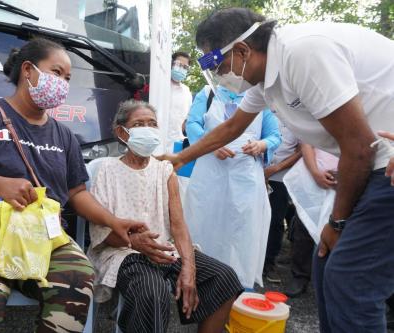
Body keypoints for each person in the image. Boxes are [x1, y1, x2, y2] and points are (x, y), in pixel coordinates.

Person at [160, 8, 394, 332]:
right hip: (374, 161)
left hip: (384, 164)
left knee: (352, 280)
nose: (220, 73)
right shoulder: (266, 80)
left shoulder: (303, 53)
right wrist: (179, 159)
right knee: (326, 265)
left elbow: (358, 147)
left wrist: (337, 223)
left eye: (219, 65)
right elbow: (230, 128)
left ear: (242, 51)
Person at [0, 38, 145, 333]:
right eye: (56, 73)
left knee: (78, 281)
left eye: (67, 78)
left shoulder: (64, 136)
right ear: (28, 70)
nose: (63, 83)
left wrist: (113, 222)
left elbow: (76, 193)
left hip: (42, 236)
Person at [88, 100, 243, 333]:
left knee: (224, 278)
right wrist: (133, 241)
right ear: (122, 132)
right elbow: (101, 230)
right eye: (139, 124)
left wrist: (189, 267)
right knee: (152, 289)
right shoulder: (107, 170)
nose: (147, 129)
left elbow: (179, 226)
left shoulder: (164, 170)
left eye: (152, 124)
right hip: (123, 252)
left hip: (165, 250)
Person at [184, 84, 281, 289]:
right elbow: (192, 123)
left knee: (243, 229)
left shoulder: (259, 95)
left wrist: (261, 145)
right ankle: (200, 283)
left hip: (245, 175)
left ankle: (240, 286)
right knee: (205, 223)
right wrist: (211, 144)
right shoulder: (208, 92)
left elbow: (274, 136)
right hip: (210, 172)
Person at [283, 144, 338, 298]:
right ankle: (300, 276)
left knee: (341, 231)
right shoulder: (320, 120)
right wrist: (315, 173)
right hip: (313, 178)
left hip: (347, 180)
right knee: (304, 227)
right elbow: (306, 143)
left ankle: (333, 280)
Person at [263, 120, 301, 283]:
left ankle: (269, 263)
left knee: (275, 221)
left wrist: (276, 169)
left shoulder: (296, 115)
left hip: (281, 177)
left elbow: (301, 151)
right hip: (257, 172)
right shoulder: (263, 109)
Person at [167, 51, 193, 152]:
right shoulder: (160, 85)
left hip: (177, 145)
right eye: (178, 64)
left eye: (185, 67)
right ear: (171, 64)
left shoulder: (186, 91)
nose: (181, 69)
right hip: (157, 142)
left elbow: (187, 119)